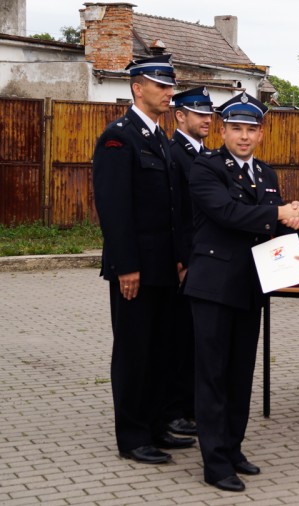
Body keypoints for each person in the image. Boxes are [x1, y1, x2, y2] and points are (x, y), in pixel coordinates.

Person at [183, 91, 299, 492]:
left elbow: (274, 227)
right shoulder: (206, 167)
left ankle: (233, 448)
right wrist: (278, 212)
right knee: (213, 376)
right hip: (213, 288)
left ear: (261, 134)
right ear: (223, 131)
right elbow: (227, 212)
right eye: (236, 128)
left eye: (251, 130)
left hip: (250, 287)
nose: (243, 136)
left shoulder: (266, 175)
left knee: (240, 374)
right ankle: (215, 463)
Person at [92, 54, 196, 465]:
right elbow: (114, 208)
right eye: (161, 85)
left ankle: (156, 427)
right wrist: (126, 266)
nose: (169, 93)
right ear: (138, 88)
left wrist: (181, 258)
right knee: (134, 352)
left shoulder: (161, 140)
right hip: (136, 268)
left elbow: (174, 208)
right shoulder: (118, 138)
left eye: (171, 86)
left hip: (164, 267)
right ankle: (133, 437)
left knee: (160, 351)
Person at [163, 86, 215, 437]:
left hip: (205, 258)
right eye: (199, 114)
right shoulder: (173, 154)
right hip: (186, 261)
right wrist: (181, 259)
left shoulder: (207, 155)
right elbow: (175, 213)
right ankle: (175, 410)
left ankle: (193, 407)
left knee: (197, 338)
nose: (207, 119)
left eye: (209, 114)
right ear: (180, 116)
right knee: (179, 339)